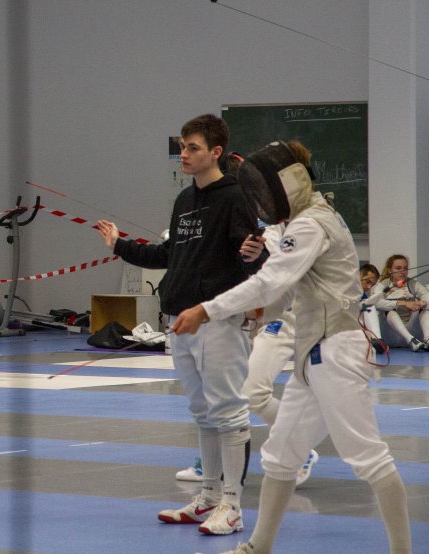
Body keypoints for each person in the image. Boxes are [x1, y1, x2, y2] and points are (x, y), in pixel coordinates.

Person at [171, 140, 411, 554]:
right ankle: (259, 546)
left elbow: (270, 281)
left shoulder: (310, 224)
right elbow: (288, 293)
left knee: (368, 457)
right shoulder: (306, 220)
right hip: (311, 353)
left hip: (336, 353)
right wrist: (254, 315)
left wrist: (207, 309)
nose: (262, 200)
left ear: (288, 184)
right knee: (281, 455)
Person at [96, 114, 264, 537]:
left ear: (216, 152)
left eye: (193, 148)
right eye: (182, 147)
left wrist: (253, 255)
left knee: (228, 411)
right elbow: (169, 255)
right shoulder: (184, 200)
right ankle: (208, 497)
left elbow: (254, 258)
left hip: (217, 318)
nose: (184, 155)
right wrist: (119, 245)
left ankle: (232, 506)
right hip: (179, 319)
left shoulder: (235, 198)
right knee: (203, 411)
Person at [239, 224, 318, 487]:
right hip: (243, 316)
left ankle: (299, 447)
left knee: (253, 392)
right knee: (220, 393)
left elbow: (277, 274)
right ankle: (211, 460)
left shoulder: (275, 230)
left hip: (279, 317)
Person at [372, 254, 429, 351]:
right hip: (390, 335)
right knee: (389, 310)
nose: (402, 271)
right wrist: (403, 303)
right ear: (390, 270)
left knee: (425, 309)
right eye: (398, 268)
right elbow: (375, 303)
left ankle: (428, 340)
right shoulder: (382, 285)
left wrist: (424, 303)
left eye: (405, 268)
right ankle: (411, 340)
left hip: (411, 331)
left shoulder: (413, 284)